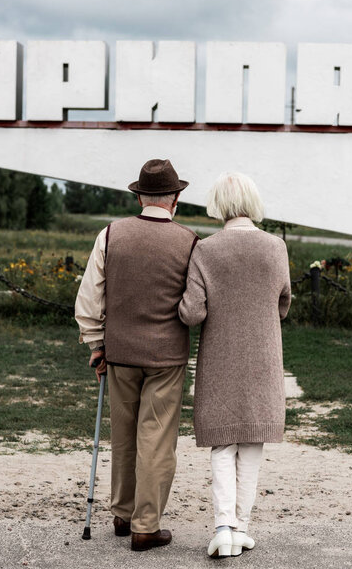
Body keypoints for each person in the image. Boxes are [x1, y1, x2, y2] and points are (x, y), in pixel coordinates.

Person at [75, 159, 199, 552]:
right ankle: (147, 525)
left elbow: (90, 296)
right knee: (157, 440)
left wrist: (96, 344)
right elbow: (194, 303)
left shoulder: (111, 234)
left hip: (121, 352)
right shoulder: (189, 240)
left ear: (140, 195)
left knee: (123, 435)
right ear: (175, 198)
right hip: (166, 356)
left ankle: (122, 514)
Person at [178, 172, 292, 558]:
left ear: (219, 205)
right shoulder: (275, 247)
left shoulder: (205, 250)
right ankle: (241, 527)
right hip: (263, 356)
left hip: (220, 359)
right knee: (253, 442)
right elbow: (283, 302)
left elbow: (192, 313)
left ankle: (223, 527)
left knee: (223, 443)